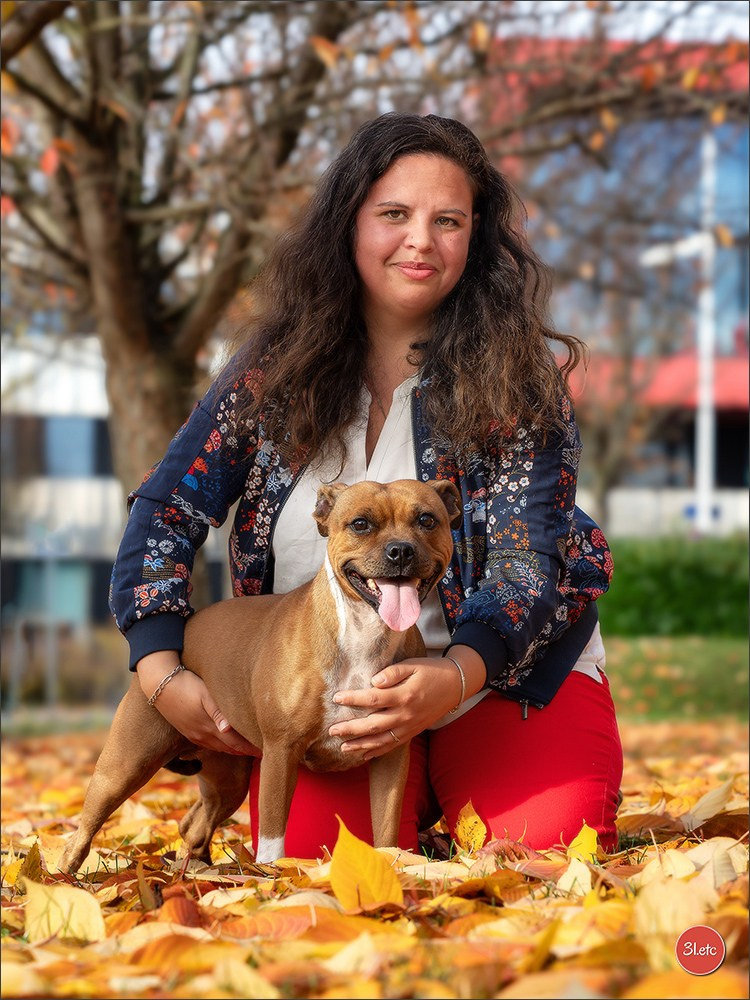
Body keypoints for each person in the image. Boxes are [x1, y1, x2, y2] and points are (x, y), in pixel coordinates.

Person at [110, 112, 623, 858]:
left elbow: (527, 563)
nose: (421, 240)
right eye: (394, 214)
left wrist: (451, 677)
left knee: (543, 857)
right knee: (318, 877)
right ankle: (416, 816)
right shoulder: (270, 373)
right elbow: (167, 512)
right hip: (330, 693)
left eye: (449, 220)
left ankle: (452, 792)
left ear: (474, 238)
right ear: (348, 222)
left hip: (500, 673)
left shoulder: (518, 380)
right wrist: (161, 671)